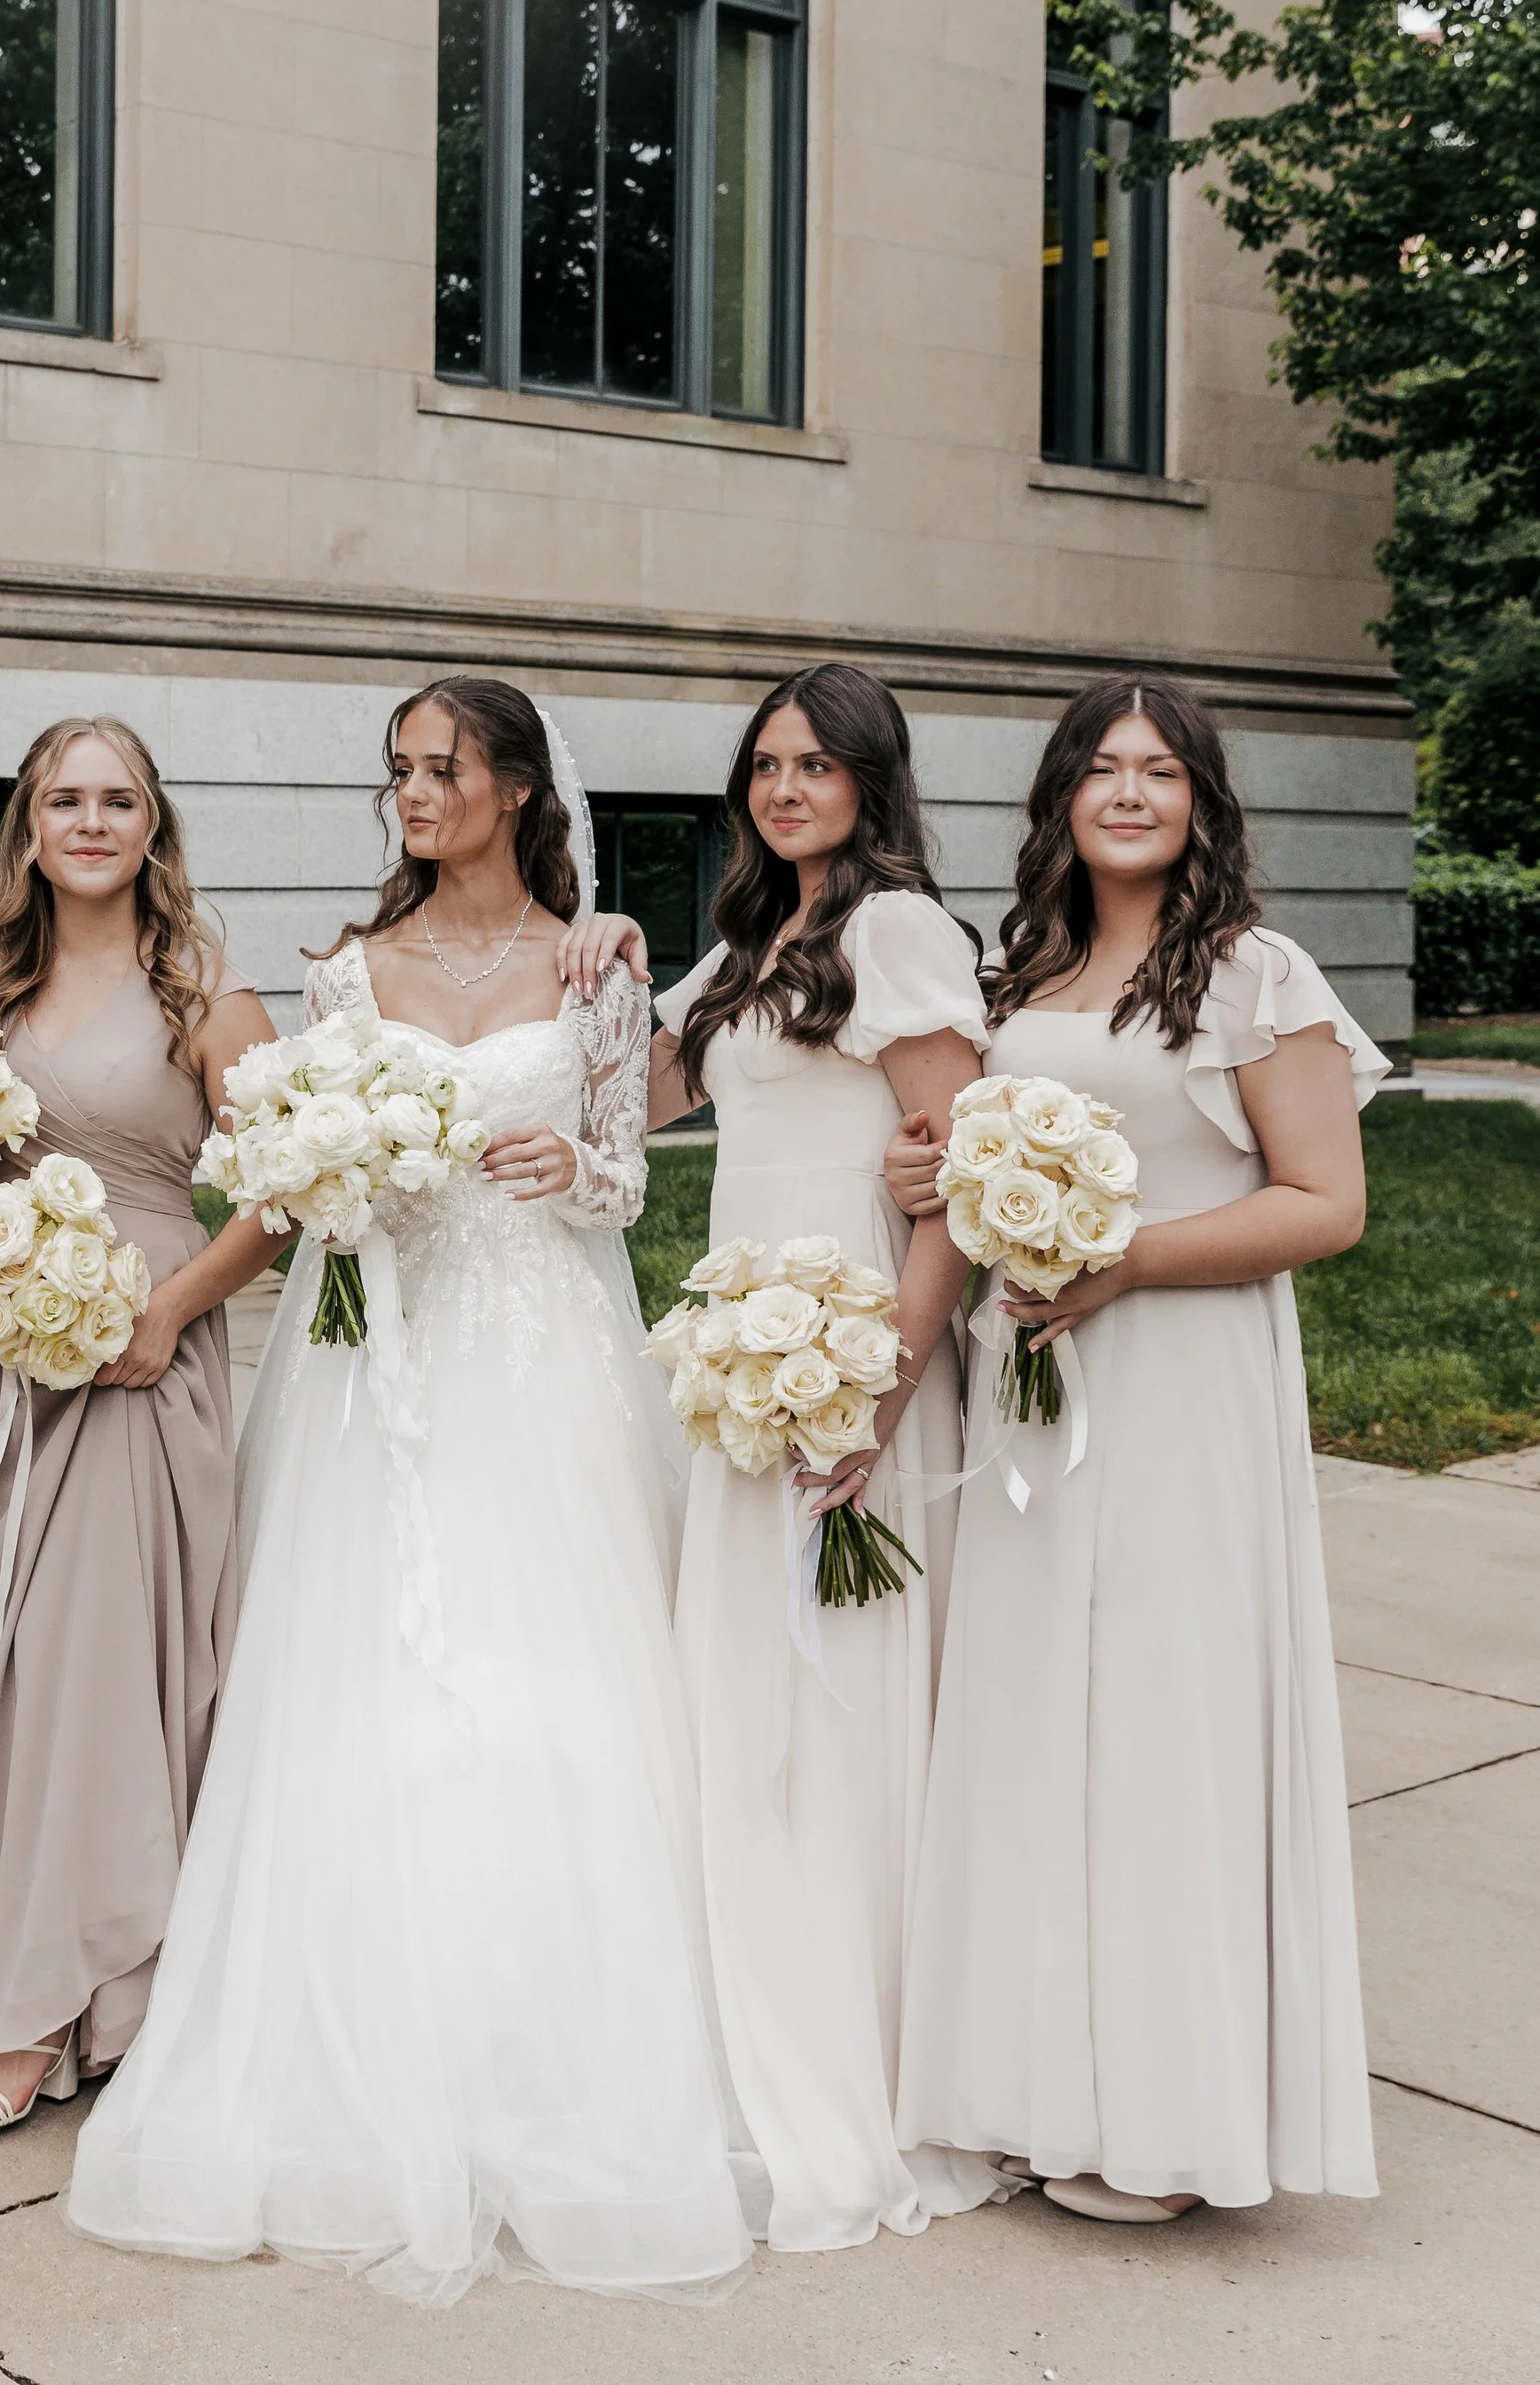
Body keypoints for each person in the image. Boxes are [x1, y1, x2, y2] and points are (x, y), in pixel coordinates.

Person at [66, 677, 753, 2306]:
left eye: (440, 770)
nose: (414, 795)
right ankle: (346, 2051)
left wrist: (567, 1170)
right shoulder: (341, 973)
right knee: (354, 1677)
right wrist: (331, 1166)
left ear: (517, 788)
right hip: (373, 1360)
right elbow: (298, 1175)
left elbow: (629, 1174)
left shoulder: (596, 963)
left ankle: (547, 2044)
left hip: (535, 1353)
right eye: (398, 773)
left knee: (553, 1684)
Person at [888, 673, 1380, 2223]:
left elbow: (1327, 1202)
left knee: (1163, 1725)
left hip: (1178, 1390)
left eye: (1159, 770)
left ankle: (1167, 2117)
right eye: (1100, 768)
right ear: (1060, 797)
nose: (1127, 791)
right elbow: (964, 1149)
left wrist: (1127, 1261)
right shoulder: (1020, 963)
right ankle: (1043, 2084)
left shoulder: (1255, 970)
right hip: (1031, 1385)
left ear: (1199, 802)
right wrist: (938, 1164)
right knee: (1037, 1720)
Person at [560, 667, 1001, 2251]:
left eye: (818, 763)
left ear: (873, 779)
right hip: (743, 1356)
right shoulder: (755, 941)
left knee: (840, 1699)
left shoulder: (895, 931)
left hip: (858, 1348)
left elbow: (956, 1178)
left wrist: (885, 1381)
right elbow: (635, 1100)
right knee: (746, 1689)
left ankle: (860, 2048)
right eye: (766, 762)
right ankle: (745, 2007)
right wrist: (607, 951)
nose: (786, 786)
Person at [0, 718, 285, 2135]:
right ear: (26, 825)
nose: (89, 819)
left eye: (116, 797)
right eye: (62, 798)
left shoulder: (205, 992)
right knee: (10, 1674)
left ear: (153, 822)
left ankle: (46, 2016)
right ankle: (60, 1982)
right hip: (7, 1361)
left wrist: (172, 1307)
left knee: (97, 1668)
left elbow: (283, 1191)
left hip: (144, 1358)